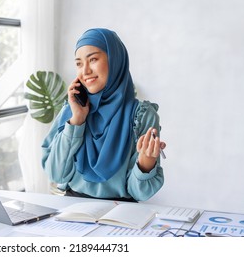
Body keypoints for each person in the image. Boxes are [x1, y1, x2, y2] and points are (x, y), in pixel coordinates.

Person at [41, 28, 166, 202]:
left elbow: (139, 193)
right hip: (72, 211)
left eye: (92, 59)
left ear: (114, 60)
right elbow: (57, 174)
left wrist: (146, 163)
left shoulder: (142, 116)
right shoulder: (71, 108)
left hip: (121, 215)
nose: (84, 71)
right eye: (78, 63)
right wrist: (77, 120)